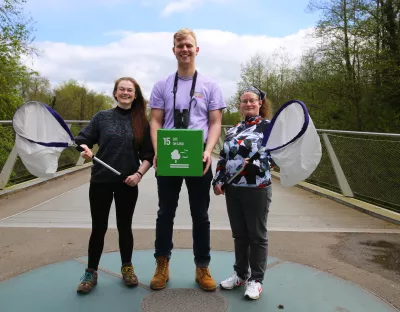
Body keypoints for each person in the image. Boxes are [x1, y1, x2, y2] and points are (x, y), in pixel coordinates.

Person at [148, 28, 226, 292]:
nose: (184, 49)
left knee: (200, 214)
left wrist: (209, 150)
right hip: (169, 153)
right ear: (173, 50)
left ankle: (202, 266)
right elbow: (156, 121)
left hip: (199, 154)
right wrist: (158, 150)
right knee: (165, 213)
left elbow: (215, 123)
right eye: (180, 45)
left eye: (189, 46)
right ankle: (162, 264)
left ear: (197, 49)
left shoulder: (211, 85)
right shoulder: (161, 85)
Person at [74, 77, 154, 294]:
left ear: (135, 94)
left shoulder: (142, 122)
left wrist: (139, 174)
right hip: (100, 181)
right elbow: (82, 139)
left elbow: (149, 154)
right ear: (115, 93)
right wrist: (85, 150)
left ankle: (127, 268)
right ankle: (91, 272)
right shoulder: (102, 117)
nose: (125, 93)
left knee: (124, 226)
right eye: (122, 89)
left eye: (129, 90)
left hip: (127, 183)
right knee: (98, 227)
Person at [212, 86, 273, 300]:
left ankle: (256, 280)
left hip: (257, 188)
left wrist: (255, 164)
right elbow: (223, 158)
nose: (248, 104)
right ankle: (240, 274)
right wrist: (218, 180)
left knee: (256, 235)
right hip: (233, 189)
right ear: (240, 105)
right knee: (239, 234)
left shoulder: (269, 128)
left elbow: (277, 157)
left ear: (260, 103)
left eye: (252, 100)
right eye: (244, 101)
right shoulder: (233, 129)